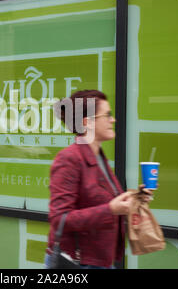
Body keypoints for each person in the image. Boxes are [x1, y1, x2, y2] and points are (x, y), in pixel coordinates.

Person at [45, 90, 153, 269]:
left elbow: (100, 202)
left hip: (100, 261)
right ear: (88, 122)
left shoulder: (99, 157)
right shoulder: (69, 158)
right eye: (107, 115)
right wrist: (110, 209)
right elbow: (59, 219)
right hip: (78, 263)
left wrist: (135, 199)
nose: (113, 120)